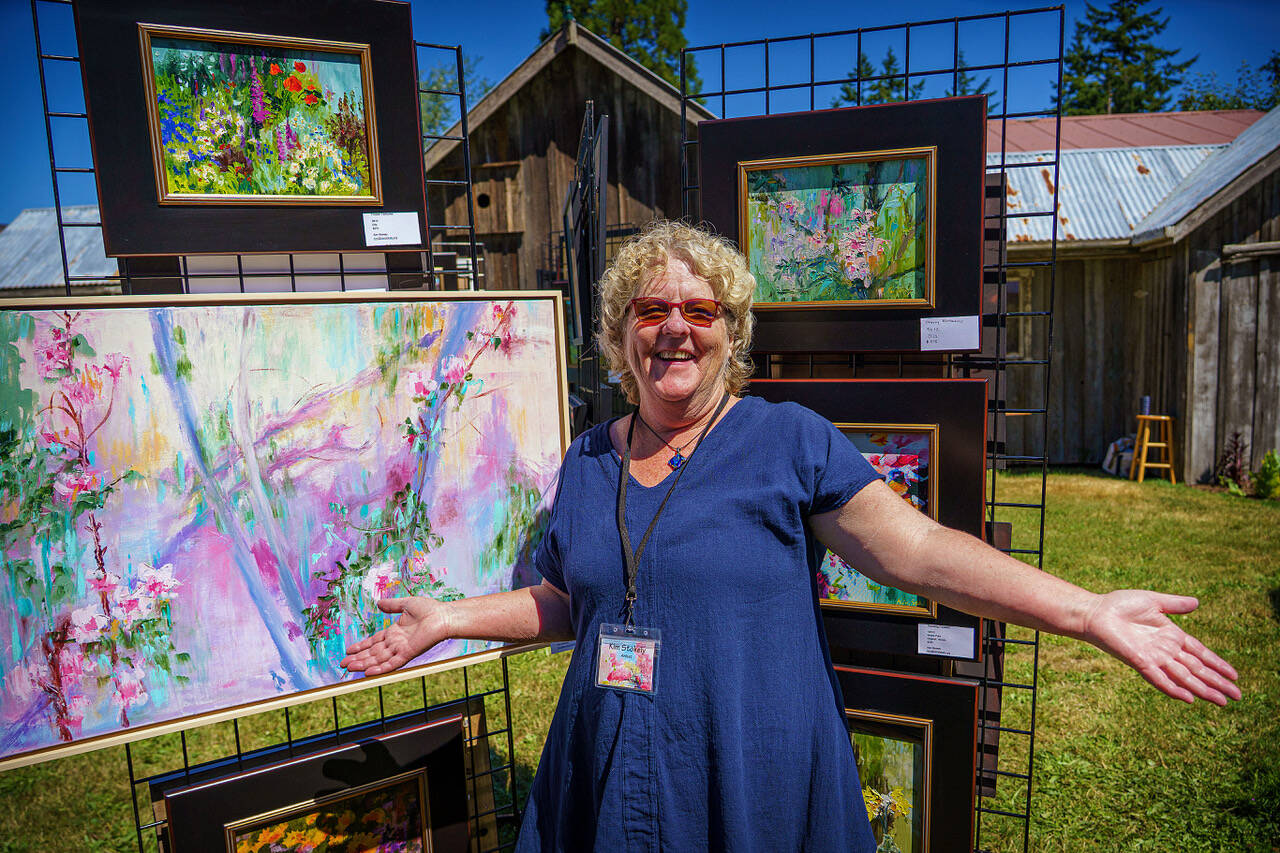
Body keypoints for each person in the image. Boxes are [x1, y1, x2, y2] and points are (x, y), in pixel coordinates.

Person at [341, 221, 1240, 851]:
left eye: (701, 311)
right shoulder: (587, 459)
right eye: (652, 310)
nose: (675, 328)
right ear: (621, 334)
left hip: (751, 768)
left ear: (731, 334)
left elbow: (920, 551)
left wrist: (1086, 611)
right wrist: (447, 618)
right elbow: (569, 603)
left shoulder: (787, 440)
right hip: (609, 769)